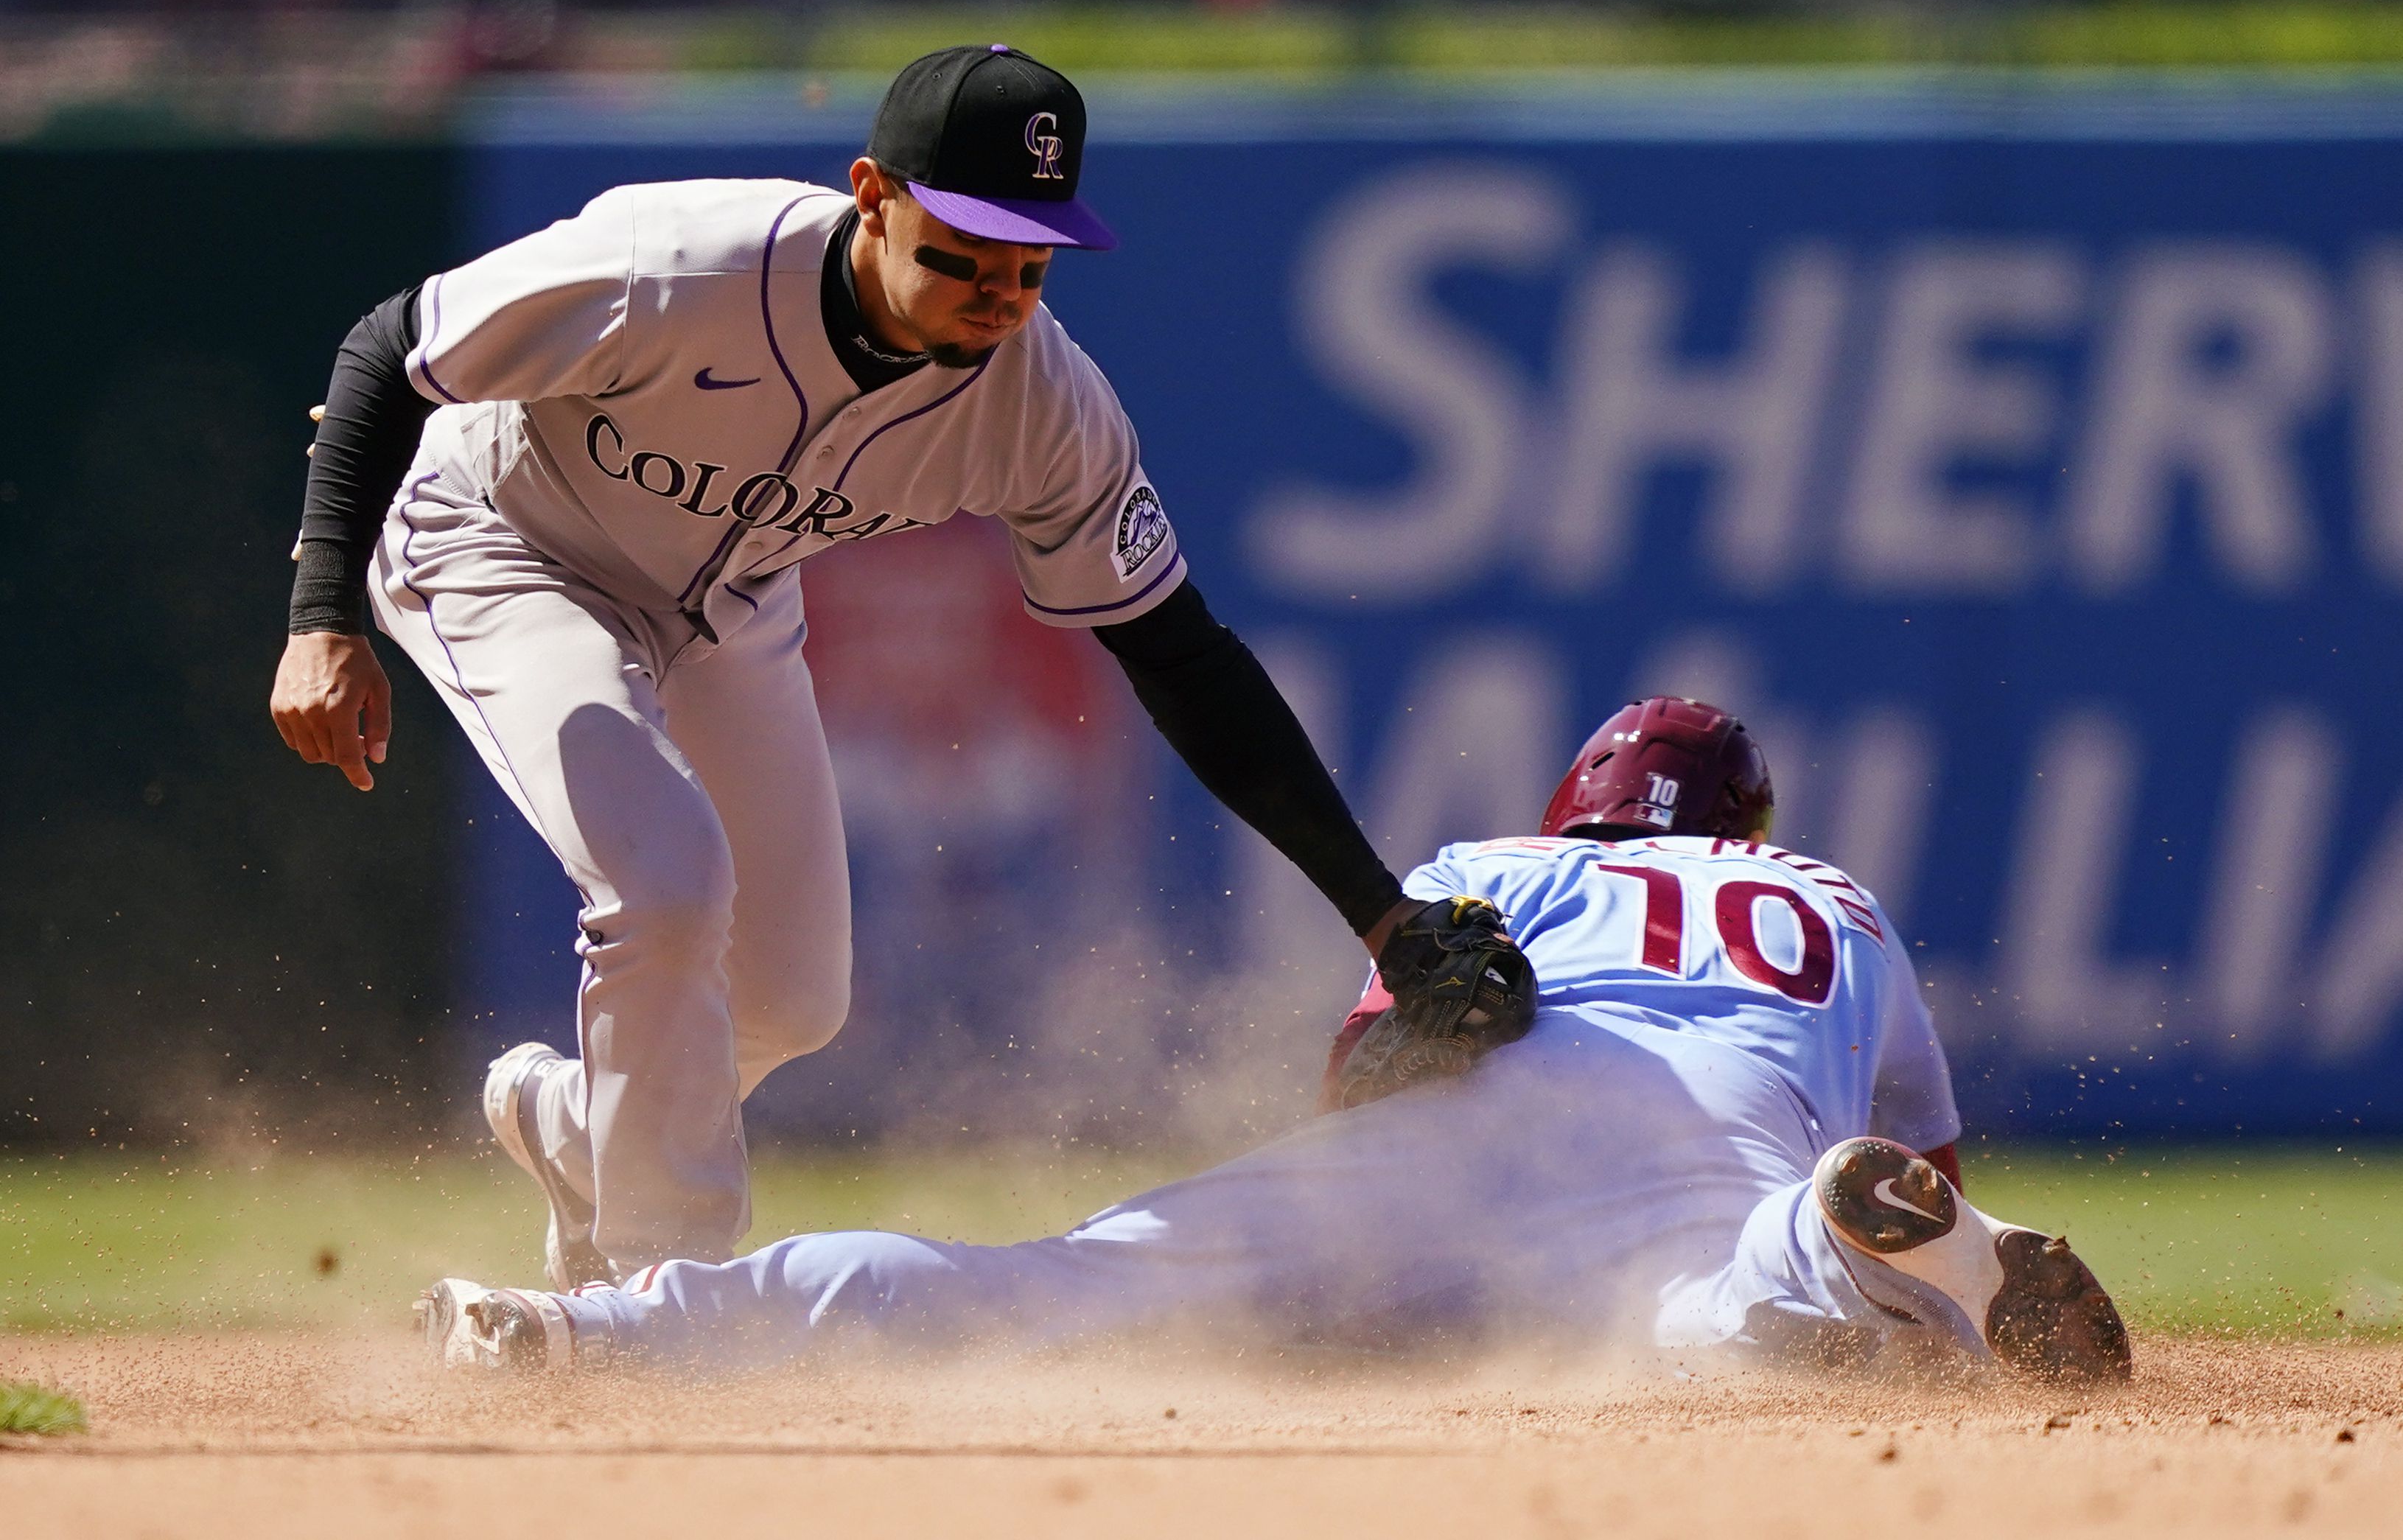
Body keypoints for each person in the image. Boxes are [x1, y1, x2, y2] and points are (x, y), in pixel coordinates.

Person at [265, 45, 1511, 1289]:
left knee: (793, 1000)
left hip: (729, 606)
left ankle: (584, 1129)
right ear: (873, 194)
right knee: (666, 880)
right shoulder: (683, 264)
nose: (996, 289)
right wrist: (324, 615)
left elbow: (1180, 653)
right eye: (960, 248)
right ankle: (659, 1293)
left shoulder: (1040, 405)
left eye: (1029, 259)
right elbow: (391, 351)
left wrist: (1380, 910)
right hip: (505, 541)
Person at [415, 697, 2132, 1382]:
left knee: (1050, 1286)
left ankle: (590, 1330)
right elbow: (1946, 1163)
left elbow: (1374, 1073)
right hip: (1717, 1162)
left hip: (1457, 1147)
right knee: (1690, 1306)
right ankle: (1817, 1270)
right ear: (1744, 824)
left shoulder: (1486, 868)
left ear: (1577, 813)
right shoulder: (1829, 898)